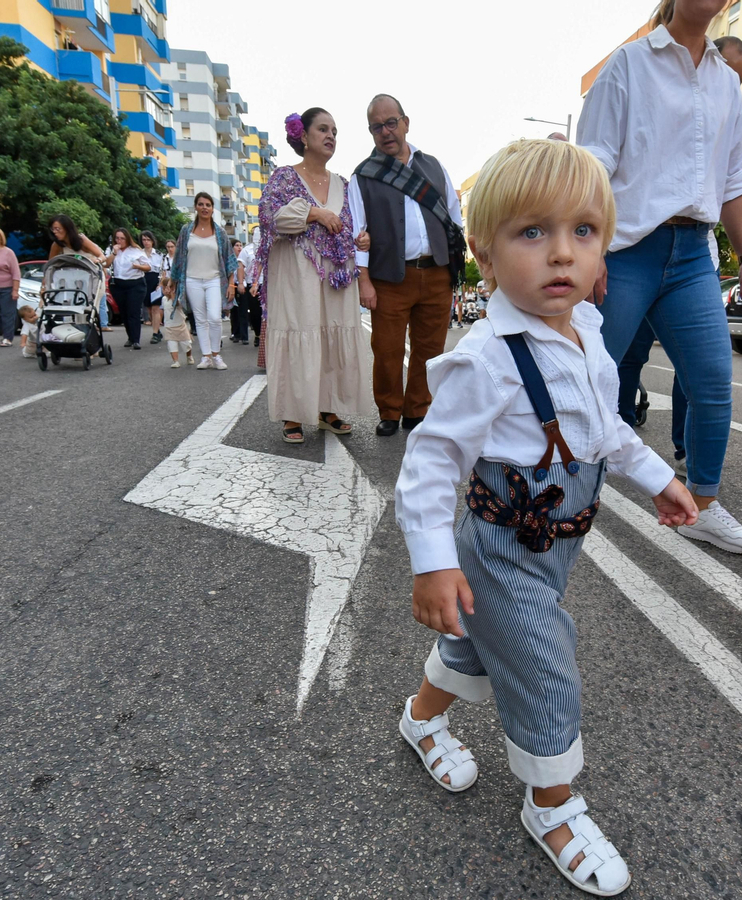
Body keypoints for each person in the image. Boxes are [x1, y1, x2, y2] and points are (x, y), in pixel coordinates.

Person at [395, 139, 697, 897]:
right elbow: (431, 460)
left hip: (556, 545)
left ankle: (420, 719)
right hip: (500, 547)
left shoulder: (588, 334)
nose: (562, 254)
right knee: (544, 666)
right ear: (484, 254)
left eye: (583, 233)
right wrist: (434, 560)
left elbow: (606, 429)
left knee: (478, 647)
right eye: (532, 233)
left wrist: (659, 477)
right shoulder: (487, 357)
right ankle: (553, 808)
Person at [578, 0, 742, 555]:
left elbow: (732, 177)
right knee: (592, 378)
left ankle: (703, 503)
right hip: (628, 247)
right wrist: (590, 247)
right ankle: (570, 489)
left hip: (693, 255)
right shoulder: (630, 63)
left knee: (712, 383)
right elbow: (592, 165)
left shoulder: (726, 83)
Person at [348, 94, 466, 437]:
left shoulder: (434, 166)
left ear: (405, 122)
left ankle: (417, 410)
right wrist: (364, 280)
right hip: (389, 279)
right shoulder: (363, 175)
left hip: (437, 273)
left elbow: (455, 219)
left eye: (391, 123)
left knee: (429, 350)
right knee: (386, 350)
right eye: (376, 126)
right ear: (371, 132)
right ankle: (389, 410)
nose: (385, 131)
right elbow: (359, 230)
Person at [257, 109, 372, 443]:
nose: (331, 135)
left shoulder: (344, 184)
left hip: (336, 274)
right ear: (303, 136)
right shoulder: (284, 177)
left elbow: (355, 225)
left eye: (334, 130)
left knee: (330, 334)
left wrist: (362, 238)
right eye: (323, 129)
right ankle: (292, 413)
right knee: (299, 329)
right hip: (296, 273)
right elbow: (270, 217)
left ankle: (328, 408)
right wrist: (314, 213)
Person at [171, 193, 237, 370]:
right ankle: (206, 356)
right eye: (201, 204)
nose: (204, 207)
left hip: (215, 280)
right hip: (192, 280)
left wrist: (231, 284)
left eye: (208, 204)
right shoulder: (186, 231)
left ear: (212, 208)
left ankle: (216, 355)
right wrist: (173, 281)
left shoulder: (220, 232)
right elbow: (178, 257)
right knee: (200, 320)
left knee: (215, 318)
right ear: (196, 207)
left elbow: (229, 259)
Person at [46, 215, 106, 329]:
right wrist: (44, 285)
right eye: (53, 229)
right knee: (72, 308)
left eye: (58, 229)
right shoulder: (57, 245)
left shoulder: (81, 240)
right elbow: (51, 265)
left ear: (67, 228)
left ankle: (90, 334)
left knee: (88, 310)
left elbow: (102, 255)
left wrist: (97, 260)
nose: (55, 232)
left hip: (91, 278)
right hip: (72, 281)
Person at [104, 227, 152, 350]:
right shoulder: (111, 250)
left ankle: (136, 339)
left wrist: (138, 266)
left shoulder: (136, 250)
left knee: (133, 311)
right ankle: (130, 337)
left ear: (127, 239)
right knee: (124, 312)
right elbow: (106, 264)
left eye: (122, 238)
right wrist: (114, 253)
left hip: (135, 284)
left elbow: (148, 267)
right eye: (117, 238)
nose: (119, 241)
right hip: (118, 284)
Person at [160, 237, 195, 368]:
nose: (167, 290)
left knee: (186, 344)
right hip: (169, 326)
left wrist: (174, 293)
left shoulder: (178, 298)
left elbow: (179, 305)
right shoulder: (163, 299)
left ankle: (189, 356)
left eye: (169, 288)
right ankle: (175, 360)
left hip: (180, 325)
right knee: (171, 344)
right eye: (165, 288)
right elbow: (162, 310)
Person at [140, 230, 165, 345]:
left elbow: (163, 271)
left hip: (155, 281)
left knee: (156, 308)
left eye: (148, 239)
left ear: (152, 241)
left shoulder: (159, 255)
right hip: (143, 280)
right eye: (144, 240)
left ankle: (155, 333)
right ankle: (157, 330)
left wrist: (160, 284)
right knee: (149, 309)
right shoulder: (139, 254)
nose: (146, 242)